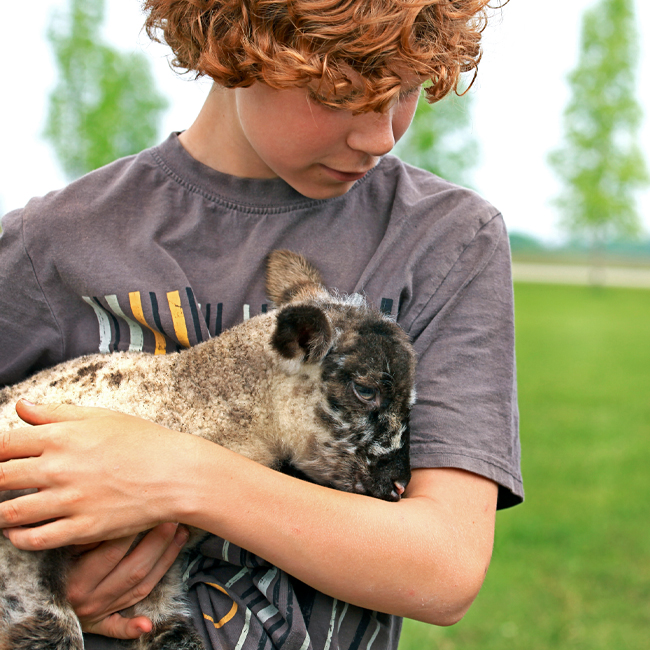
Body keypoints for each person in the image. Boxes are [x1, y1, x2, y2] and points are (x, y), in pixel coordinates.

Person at [0, 0, 522, 648]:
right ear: (234, 37)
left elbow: (444, 567)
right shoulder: (46, 245)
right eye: (342, 92)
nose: (381, 135)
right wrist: (28, 601)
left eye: (406, 92)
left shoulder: (446, 241)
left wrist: (177, 475)